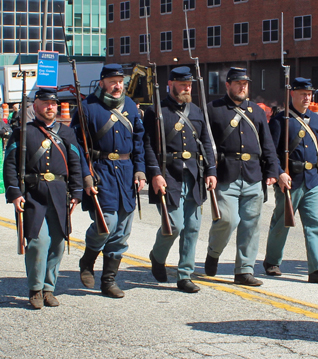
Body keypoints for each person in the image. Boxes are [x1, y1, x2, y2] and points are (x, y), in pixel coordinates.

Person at [71, 64, 146, 299]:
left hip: (125, 173)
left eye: (120, 81)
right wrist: (85, 176)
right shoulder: (87, 108)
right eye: (112, 81)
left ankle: (108, 281)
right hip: (100, 171)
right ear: (102, 82)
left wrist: (140, 171)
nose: (117, 86)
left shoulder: (131, 106)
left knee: (122, 231)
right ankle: (88, 258)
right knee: (107, 224)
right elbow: (77, 147)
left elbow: (139, 142)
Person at [3, 88, 83, 309]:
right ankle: (35, 289)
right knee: (38, 243)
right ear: (35, 106)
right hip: (33, 194)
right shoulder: (22, 132)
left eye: (54, 104)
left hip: (59, 193)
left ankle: (49, 289)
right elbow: (10, 164)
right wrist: (15, 193)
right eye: (46, 103)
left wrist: (77, 193)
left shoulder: (66, 133)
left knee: (57, 244)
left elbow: (75, 163)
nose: (51, 107)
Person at [143, 67, 217, 293]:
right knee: (173, 226)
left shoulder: (196, 110)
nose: (187, 88)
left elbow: (206, 141)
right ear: (171, 83)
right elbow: (147, 145)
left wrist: (212, 170)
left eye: (190, 85)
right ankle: (157, 256)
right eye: (183, 84)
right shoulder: (156, 110)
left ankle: (185, 274)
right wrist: (155, 174)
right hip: (168, 175)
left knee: (192, 227)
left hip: (194, 175)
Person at [204, 67, 279, 286]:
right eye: (238, 83)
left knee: (251, 224)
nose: (242, 86)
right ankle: (214, 252)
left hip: (253, 172)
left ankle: (244, 270)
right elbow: (207, 143)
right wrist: (210, 169)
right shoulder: (214, 109)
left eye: (245, 83)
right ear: (228, 85)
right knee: (228, 220)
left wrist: (272, 169)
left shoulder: (256, 111)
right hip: (226, 172)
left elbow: (267, 143)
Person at [263, 78, 318, 283]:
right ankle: (272, 261)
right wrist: (279, 172)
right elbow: (271, 151)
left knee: (315, 224)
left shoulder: (315, 120)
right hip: (290, 180)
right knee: (282, 223)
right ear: (292, 94)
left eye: (309, 94)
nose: (307, 97)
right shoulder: (280, 120)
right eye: (303, 94)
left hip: (312, 179)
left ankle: (316, 269)